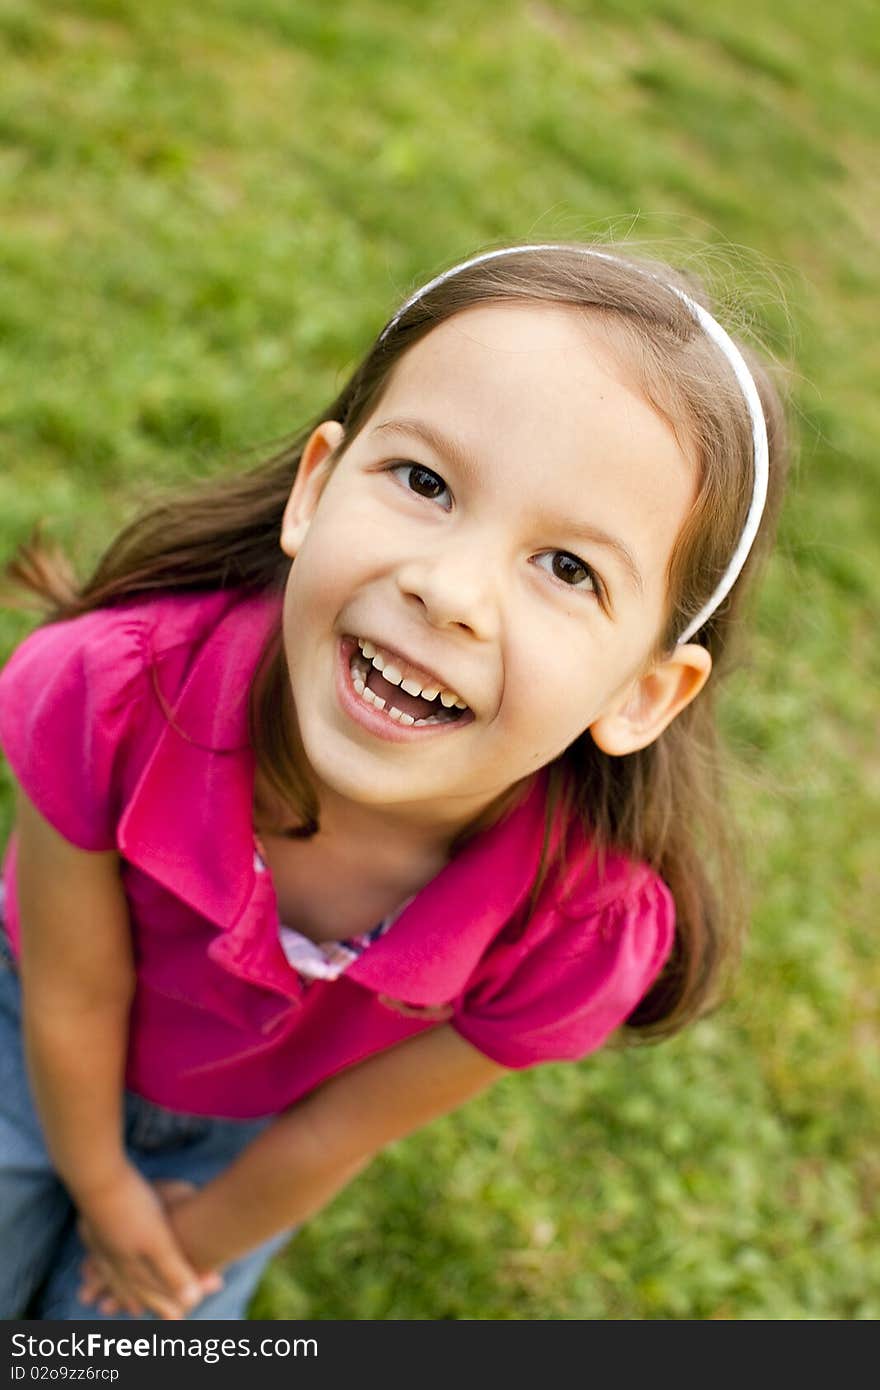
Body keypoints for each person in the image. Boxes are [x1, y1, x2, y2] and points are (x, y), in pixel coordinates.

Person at [0, 242, 789, 1320]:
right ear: (315, 487)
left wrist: (177, 1248)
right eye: (424, 482)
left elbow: (340, 1129)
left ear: (644, 693)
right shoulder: (108, 693)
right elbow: (71, 989)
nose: (449, 590)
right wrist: (101, 1188)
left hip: (256, 1143)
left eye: (568, 568)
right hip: (31, 1033)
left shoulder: (581, 926)